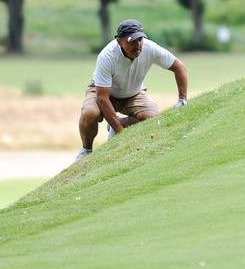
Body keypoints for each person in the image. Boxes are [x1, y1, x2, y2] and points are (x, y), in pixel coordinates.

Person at [74, 19, 188, 162]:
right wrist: (122, 135)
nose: (138, 45)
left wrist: (182, 100)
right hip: (103, 92)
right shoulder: (107, 56)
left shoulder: (149, 48)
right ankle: (86, 151)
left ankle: (115, 125)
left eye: (140, 39)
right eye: (132, 41)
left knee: (151, 116)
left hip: (133, 93)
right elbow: (102, 98)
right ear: (119, 41)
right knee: (90, 113)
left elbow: (179, 67)